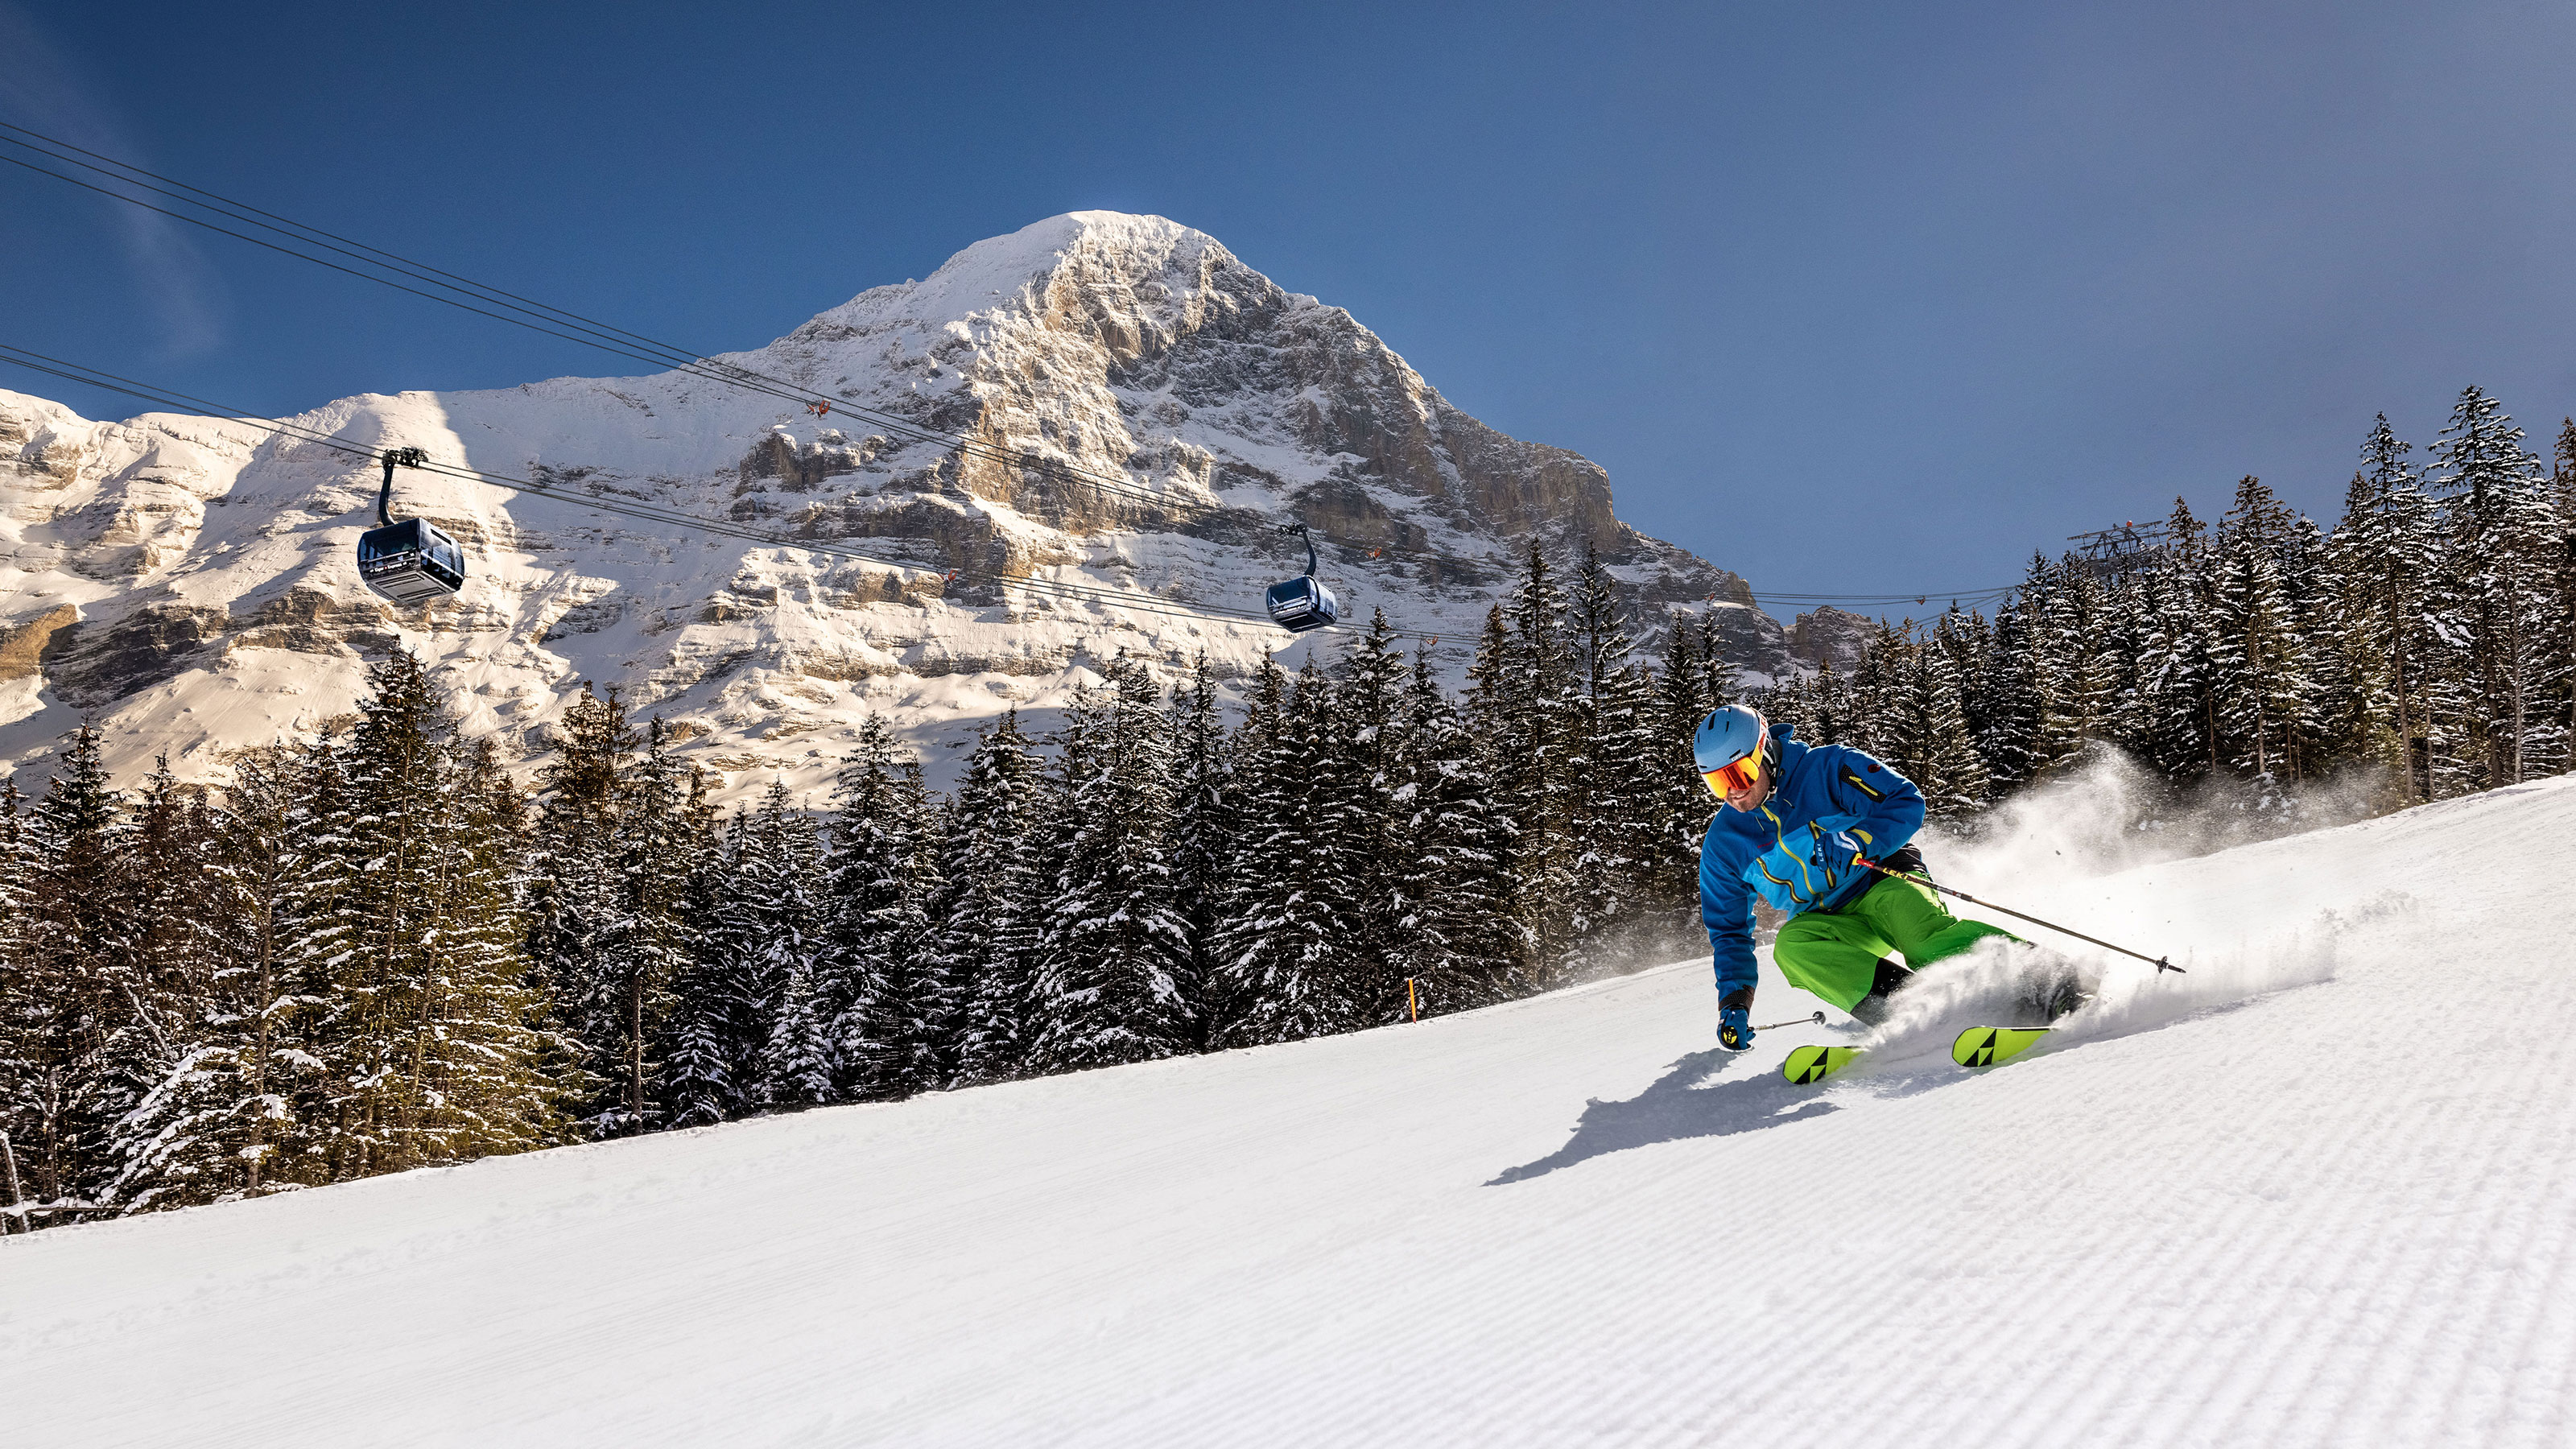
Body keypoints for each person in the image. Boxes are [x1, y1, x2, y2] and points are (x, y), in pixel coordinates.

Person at [1694, 704, 2020, 1051]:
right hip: (1829, 919)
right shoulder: (1724, 844)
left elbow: (1904, 800)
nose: (1733, 792)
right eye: (1717, 782)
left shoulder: (1827, 769)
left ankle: (2040, 981)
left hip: (1882, 880)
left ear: (1766, 753)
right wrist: (1734, 1002)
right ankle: (1915, 1013)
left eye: (1740, 774)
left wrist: (1858, 838)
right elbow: (1728, 930)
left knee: (1923, 942)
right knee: (1792, 948)